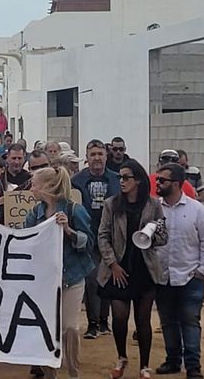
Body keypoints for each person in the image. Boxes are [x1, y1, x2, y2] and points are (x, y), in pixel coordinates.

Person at [97, 160, 168, 379]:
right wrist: (113, 264)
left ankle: (144, 365)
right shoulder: (111, 204)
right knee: (118, 317)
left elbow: (164, 236)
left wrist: (151, 234)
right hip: (118, 268)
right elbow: (103, 236)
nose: (122, 181)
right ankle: (122, 356)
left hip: (144, 268)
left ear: (138, 180)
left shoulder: (154, 204)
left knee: (143, 319)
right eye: (120, 177)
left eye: (126, 177)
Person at [25, 166, 95, 379]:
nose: (31, 188)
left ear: (47, 187)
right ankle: (50, 373)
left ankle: (73, 372)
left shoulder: (74, 210)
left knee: (70, 327)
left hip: (72, 276)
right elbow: (25, 241)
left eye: (34, 184)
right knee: (49, 328)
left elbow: (89, 242)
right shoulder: (33, 213)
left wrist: (68, 231)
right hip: (46, 280)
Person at [153, 163, 204, 379]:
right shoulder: (154, 209)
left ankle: (193, 366)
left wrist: (202, 270)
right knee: (167, 321)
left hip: (190, 276)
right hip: (163, 276)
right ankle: (172, 360)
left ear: (177, 184)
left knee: (190, 320)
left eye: (162, 180)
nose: (157, 183)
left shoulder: (196, 209)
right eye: (157, 179)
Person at [71, 139, 121, 339]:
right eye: (93, 154)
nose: (97, 158)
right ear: (87, 158)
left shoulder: (117, 180)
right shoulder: (76, 181)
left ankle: (104, 321)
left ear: (106, 156)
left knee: (108, 278)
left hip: (112, 236)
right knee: (91, 280)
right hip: (88, 236)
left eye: (100, 154)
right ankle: (92, 322)